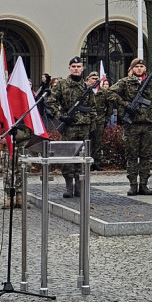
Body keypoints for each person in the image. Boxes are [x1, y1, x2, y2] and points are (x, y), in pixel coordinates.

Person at [111, 58, 152, 196]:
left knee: (146, 156)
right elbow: (110, 93)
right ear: (132, 69)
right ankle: (133, 185)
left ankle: (144, 184)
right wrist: (125, 104)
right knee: (132, 156)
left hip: (148, 125)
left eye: (142, 66)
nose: (139, 69)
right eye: (137, 67)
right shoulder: (125, 82)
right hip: (132, 125)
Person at [50, 56, 98, 198]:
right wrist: (61, 116)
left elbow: (93, 107)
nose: (76, 69)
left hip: (84, 127)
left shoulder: (86, 88)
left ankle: (79, 186)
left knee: (82, 157)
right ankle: (69, 186)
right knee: (68, 157)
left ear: (82, 68)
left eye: (78, 66)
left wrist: (90, 121)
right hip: (69, 127)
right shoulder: (62, 85)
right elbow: (51, 102)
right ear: (69, 68)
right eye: (74, 66)